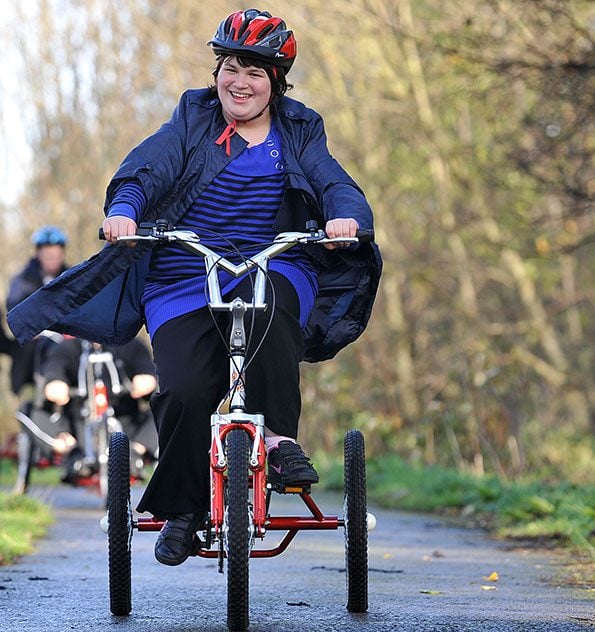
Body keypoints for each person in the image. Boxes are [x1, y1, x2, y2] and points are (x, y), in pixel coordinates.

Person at [8, 8, 382, 567]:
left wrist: (344, 219)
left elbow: (334, 182)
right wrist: (126, 211)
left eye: (257, 72)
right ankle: (184, 508)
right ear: (217, 72)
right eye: (232, 66)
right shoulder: (193, 117)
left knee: (272, 311)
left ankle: (277, 441)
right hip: (186, 268)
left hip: (273, 261)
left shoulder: (300, 128)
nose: (241, 81)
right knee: (182, 386)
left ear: (276, 82)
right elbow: (148, 168)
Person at [41, 336, 158, 480]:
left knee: (168, 406)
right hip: (80, 426)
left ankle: (135, 452)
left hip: (127, 424)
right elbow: (54, 369)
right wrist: (55, 383)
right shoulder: (67, 348)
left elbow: (148, 370)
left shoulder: (131, 345)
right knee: (28, 410)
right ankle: (72, 452)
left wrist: (146, 380)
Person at [6, 226, 69, 396]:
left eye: (56, 256)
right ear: (38, 254)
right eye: (47, 256)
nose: (52, 260)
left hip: (66, 341)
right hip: (34, 347)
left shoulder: (71, 275)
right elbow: (14, 306)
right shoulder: (23, 281)